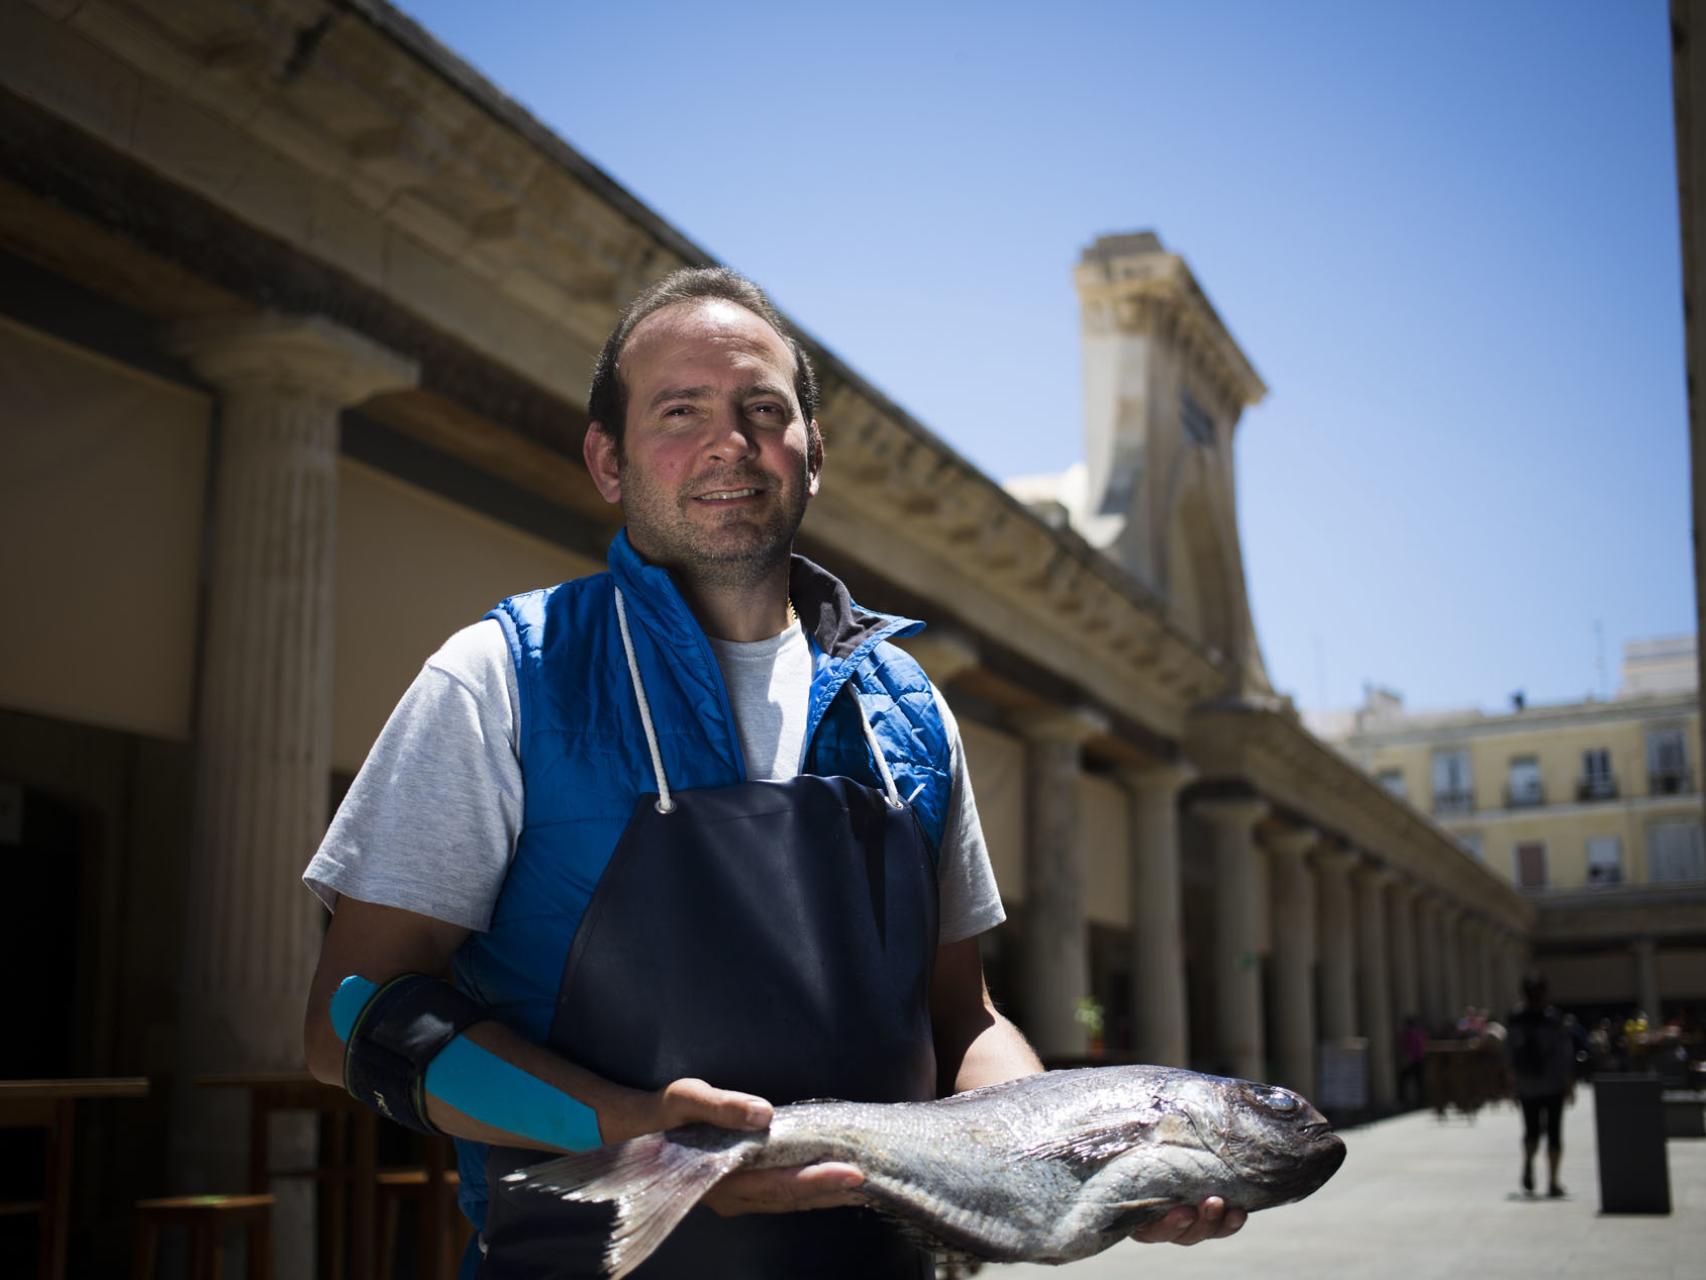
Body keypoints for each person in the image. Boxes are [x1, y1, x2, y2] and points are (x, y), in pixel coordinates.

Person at [300, 267, 1246, 1277]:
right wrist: (635, 1128)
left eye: (763, 408)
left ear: (812, 453)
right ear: (607, 459)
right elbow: (351, 1012)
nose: (729, 442)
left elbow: (959, 1017)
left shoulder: (909, 713)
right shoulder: (505, 677)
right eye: (679, 410)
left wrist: (1079, 1154)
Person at [1505, 974, 1575, 1198]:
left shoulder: (1516, 1019)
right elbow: (1565, 1053)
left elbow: (1508, 1055)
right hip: (1552, 1083)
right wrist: (1569, 1083)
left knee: (1531, 1130)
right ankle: (1553, 1181)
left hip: (1527, 1085)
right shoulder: (1553, 1019)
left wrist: (1511, 1083)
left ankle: (1528, 1162)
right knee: (1554, 1132)